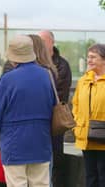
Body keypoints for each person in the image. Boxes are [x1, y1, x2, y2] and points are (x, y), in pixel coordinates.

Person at [0, 35, 55, 187]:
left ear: (13, 57)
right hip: (41, 141)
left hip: (14, 143)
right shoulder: (46, 75)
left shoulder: (7, 79)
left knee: (17, 183)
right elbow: (51, 105)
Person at [38, 30, 72, 187]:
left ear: (52, 42)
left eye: (42, 41)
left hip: (53, 120)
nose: (39, 44)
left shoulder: (62, 65)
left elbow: (59, 94)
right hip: (38, 121)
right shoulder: (34, 62)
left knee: (54, 157)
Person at [72, 43, 105, 187]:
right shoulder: (83, 80)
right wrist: (77, 124)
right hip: (85, 135)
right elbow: (76, 105)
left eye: (93, 57)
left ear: (104, 60)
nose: (89, 60)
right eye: (88, 57)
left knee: (103, 176)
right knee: (90, 176)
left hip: (103, 137)